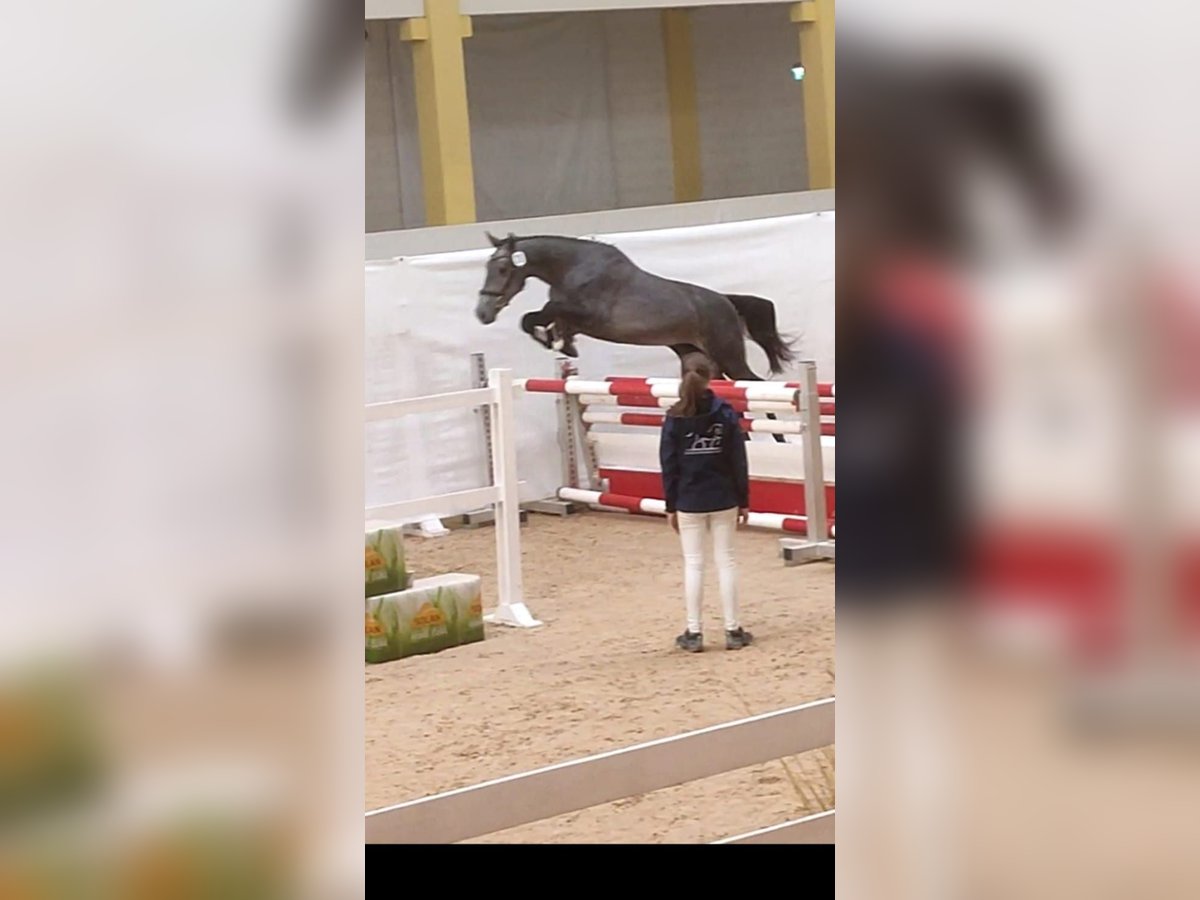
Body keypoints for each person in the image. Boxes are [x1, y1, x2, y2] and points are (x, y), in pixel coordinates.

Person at [659, 361, 753, 652]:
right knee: (726, 561)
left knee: (694, 564)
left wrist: (671, 505)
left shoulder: (675, 417)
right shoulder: (724, 413)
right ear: (710, 378)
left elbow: (669, 465)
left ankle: (694, 630)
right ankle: (733, 629)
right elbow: (738, 459)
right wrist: (743, 499)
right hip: (723, 496)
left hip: (689, 499)